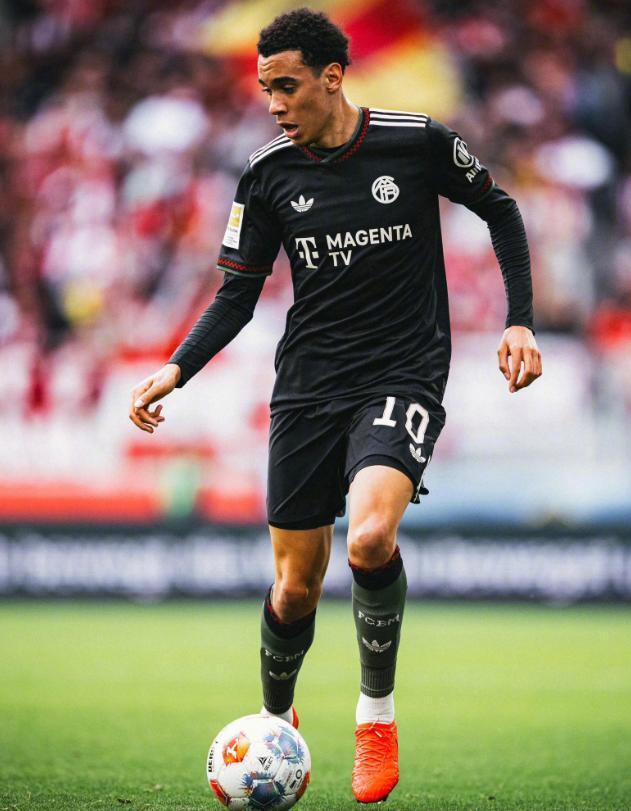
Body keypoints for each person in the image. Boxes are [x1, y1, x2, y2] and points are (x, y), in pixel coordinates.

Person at [129, 7, 542, 804]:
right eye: (266, 90)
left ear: (332, 76)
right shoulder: (266, 174)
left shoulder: (414, 142)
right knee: (294, 588)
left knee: (371, 535)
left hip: (403, 371)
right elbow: (237, 296)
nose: (274, 103)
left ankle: (375, 716)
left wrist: (518, 318)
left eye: (287, 86)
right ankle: (275, 722)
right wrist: (175, 368)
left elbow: (501, 208)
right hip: (308, 386)